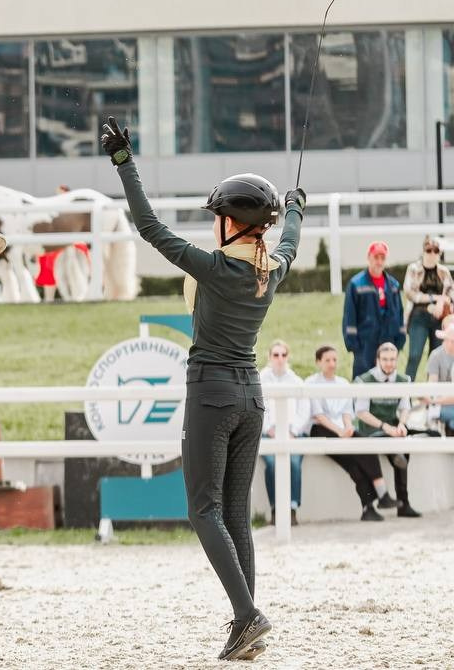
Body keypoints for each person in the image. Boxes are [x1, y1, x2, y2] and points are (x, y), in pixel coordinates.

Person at [101, 116, 301, 661]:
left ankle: (247, 615)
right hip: (251, 396)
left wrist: (124, 163)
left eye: (217, 216)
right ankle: (246, 625)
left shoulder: (213, 268)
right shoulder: (270, 270)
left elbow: (147, 226)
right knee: (236, 513)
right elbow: (292, 244)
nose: (212, 223)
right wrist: (297, 207)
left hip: (211, 392)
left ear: (232, 223)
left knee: (203, 510)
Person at [306, 345, 393, 521]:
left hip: (342, 428)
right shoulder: (311, 383)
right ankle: (369, 506)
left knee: (366, 446)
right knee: (353, 465)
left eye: (334, 360)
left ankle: (381, 495)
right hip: (322, 430)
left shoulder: (343, 383)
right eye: (327, 360)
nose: (332, 364)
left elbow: (347, 412)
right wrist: (339, 431)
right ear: (318, 362)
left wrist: (347, 427)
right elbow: (319, 415)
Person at [354, 342, 430, 518]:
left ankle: (403, 503)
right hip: (372, 430)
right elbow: (361, 413)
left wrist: (402, 424)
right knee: (394, 447)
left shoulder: (403, 379)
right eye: (385, 359)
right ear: (378, 360)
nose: (389, 363)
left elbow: (405, 407)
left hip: (393, 427)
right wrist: (384, 426)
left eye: (392, 359)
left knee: (404, 448)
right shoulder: (366, 380)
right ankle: (396, 454)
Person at [258, 340, 311, 525]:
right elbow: (256, 408)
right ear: (269, 357)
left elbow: (304, 410)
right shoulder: (260, 380)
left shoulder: (296, 380)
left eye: (283, 355)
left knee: (294, 463)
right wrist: (268, 429)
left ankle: (292, 509)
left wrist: (293, 431)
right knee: (272, 465)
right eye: (276, 355)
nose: (280, 359)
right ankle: (275, 509)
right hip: (268, 434)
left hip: (292, 434)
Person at [343, 241, 405, 380]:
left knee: (387, 378)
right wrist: (353, 344)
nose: (379, 261)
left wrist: (400, 339)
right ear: (369, 257)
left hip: (388, 339)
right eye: (376, 257)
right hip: (365, 342)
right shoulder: (356, 284)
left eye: (382, 258)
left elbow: (399, 313)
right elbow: (349, 315)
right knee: (363, 379)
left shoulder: (393, 285)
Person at [402, 236, 454, 380]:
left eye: (436, 251)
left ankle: (433, 396)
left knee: (436, 356)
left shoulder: (444, 271)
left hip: (438, 319)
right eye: (429, 250)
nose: (432, 254)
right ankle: (406, 396)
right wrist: (434, 298)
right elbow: (410, 293)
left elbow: (451, 293)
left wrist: (442, 302)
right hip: (419, 317)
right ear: (424, 251)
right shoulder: (414, 268)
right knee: (415, 355)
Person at [424, 316, 454, 434]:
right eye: (450, 340)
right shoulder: (436, 355)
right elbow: (432, 384)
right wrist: (435, 400)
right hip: (441, 402)